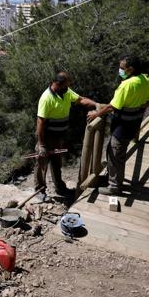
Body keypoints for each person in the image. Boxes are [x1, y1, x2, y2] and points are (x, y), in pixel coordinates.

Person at [87, 55, 149, 195]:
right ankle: (113, 179)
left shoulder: (127, 84)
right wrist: (138, 109)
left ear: (130, 69)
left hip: (122, 126)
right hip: (134, 123)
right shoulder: (143, 79)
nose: (120, 70)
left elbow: (112, 106)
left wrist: (96, 114)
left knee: (115, 155)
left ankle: (114, 187)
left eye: (122, 68)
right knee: (119, 153)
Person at [35, 71, 101, 202]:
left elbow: (81, 100)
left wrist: (96, 105)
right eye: (66, 85)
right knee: (42, 163)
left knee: (56, 162)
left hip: (58, 136)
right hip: (47, 137)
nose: (68, 87)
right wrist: (41, 144)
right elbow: (40, 122)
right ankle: (39, 190)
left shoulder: (65, 92)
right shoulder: (46, 98)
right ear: (58, 84)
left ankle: (59, 187)